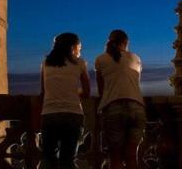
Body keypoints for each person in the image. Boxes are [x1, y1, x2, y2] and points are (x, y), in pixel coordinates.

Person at [95, 30, 146, 169]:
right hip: (136, 106)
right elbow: (136, 82)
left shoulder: (100, 59)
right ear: (126, 42)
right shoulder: (135, 57)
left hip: (113, 107)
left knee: (115, 157)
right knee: (131, 156)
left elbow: (102, 90)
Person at [40, 33, 91, 169]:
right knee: (67, 160)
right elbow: (86, 92)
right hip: (72, 114)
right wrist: (73, 92)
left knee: (48, 158)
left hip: (50, 113)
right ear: (73, 46)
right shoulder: (79, 63)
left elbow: (43, 91)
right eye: (79, 46)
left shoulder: (46, 63)